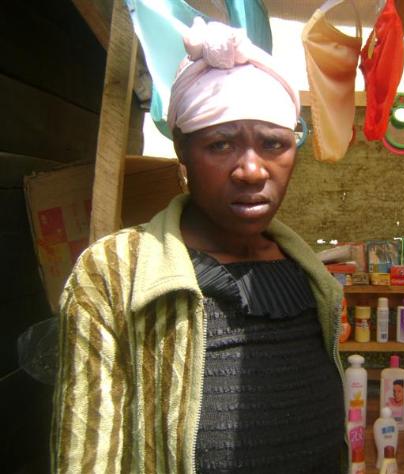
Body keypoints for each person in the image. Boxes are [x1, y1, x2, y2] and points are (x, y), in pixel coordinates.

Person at [51, 19, 346, 474]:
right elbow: (86, 456)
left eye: (273, 144)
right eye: (221, 144)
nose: (252, 170)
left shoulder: (310, 275)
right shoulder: (114, 273)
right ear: (182, 150)